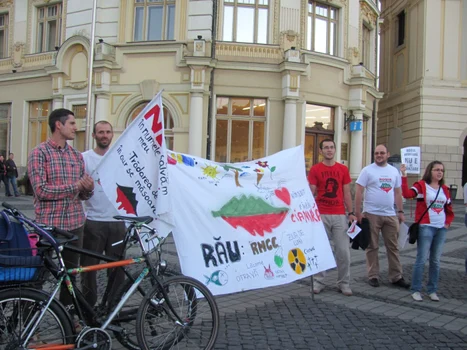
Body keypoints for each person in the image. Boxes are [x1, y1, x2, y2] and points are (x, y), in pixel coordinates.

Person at [28, 108, 94, 308]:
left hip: (75, 225)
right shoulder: (39, 153)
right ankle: (28, 319)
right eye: (72, 123)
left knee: (70, 276)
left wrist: (88, 190)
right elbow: (41, 191)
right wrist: (76, 186)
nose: (76, 128)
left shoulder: (76, 156)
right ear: (59, 125)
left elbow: (82, 194)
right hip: (49, 226)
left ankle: (67, 315)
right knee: (38, 275)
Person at [81, 121, 126, 307]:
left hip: (117, 221)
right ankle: (88, 308)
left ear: (112, 135)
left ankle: (113, 307)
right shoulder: (84, 159)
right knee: (89, 269)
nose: (104, 135)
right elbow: (80, 191)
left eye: (108, 132)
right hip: (94, 221)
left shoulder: (120, 158)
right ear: (94, 135)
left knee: (117, 269)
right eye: (100, 132)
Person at [355, 144, 410, 288]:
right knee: (372, 246)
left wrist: (400, 211)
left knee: (393, 247)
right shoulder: (367, 170)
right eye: (376, 153)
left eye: (382, 153)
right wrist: (358, 212)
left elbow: (398, 192)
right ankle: (373, 275)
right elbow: (359, 191)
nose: (379, 155)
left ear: (388, 154)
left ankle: (396, 276)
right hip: (371, 213)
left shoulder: (394, 171)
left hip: (390, 214)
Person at [308, 139, 356, 296]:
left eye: (331, 147)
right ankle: (318, 281)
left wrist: (351, 212)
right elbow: (311, 191)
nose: (329, 150)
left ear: (335, 150)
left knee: (343, 252)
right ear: (321, 151)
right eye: (326, 148)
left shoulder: (342, 169)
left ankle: (344, 283)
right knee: (321, 250)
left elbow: (347, 192)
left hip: (339, 215)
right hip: (321, 214)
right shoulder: (315, 169)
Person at [400, 162, 453, 301]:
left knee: (435, 261)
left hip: (440, 228)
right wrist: (404, 176)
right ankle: (416, 289)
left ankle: (432, 290)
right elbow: (407, 194)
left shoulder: (445, 189)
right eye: (437, 170)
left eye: (442, 170)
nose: (440, 172)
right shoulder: (421, 185)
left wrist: (448, 222)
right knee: (421, 259)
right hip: (426, 227)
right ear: (430, 171)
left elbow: (449, 207)